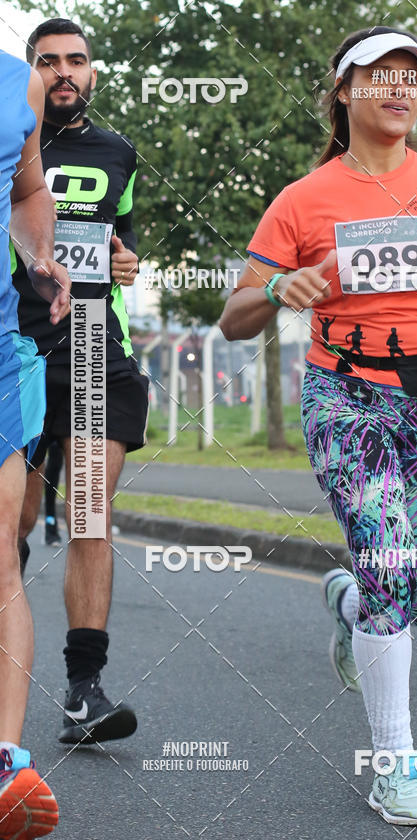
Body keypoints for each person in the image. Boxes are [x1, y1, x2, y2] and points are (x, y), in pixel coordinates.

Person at [219, 27, 417, 826]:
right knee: (392, 563)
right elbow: (233, 316)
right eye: (380, 75)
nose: (400, 89)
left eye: (410, 77)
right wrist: (280, 287)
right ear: (343, 91)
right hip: (345, 397)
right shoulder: (304, 198)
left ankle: (351, 602)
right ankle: (396, 767)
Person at [13, 18, 148, 745]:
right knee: (14, 524)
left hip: (95, 345)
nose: (63, 72)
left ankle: (83, 693)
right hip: (16, 347)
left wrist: (127, 263)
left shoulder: (118, 151)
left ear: (93, 72)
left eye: (76, 60)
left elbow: (125, 241)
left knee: (91, 512)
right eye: (48, 61)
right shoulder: (9, 139)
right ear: (30, 73)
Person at [0, 47, 70, 839]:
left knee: (1, 561)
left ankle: (6, 763)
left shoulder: (15, 79)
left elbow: (26, 190)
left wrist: (39, 256)